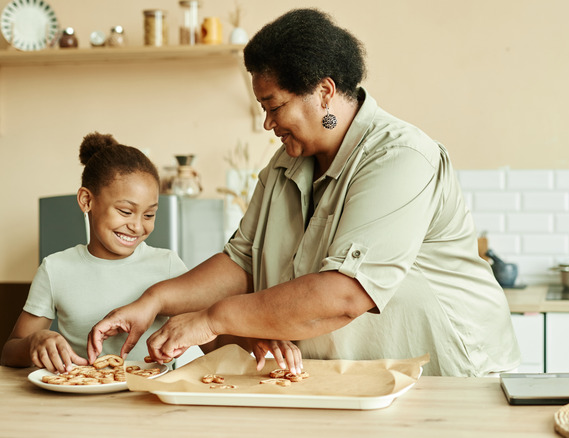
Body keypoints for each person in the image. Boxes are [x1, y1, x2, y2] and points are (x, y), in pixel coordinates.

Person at [88, 8, 521, 377]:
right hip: (356, 378)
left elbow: (346, 294)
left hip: (452, 376)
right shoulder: (284, 165)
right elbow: (240, 262)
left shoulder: (401, 158)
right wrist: (153, 300)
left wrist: (211, 320)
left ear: (324, 93)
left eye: (274, 107)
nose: (267, 124)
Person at [0, 132, 299, 374]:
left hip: (153, 402)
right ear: (86, 200)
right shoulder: (55, 269)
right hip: (83, 404)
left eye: (149, 215)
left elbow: (212, 341)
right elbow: (10, 350)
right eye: (126, 211)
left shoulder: (166, 265)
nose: (136, 226)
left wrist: (255, 337)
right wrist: (34, 342)